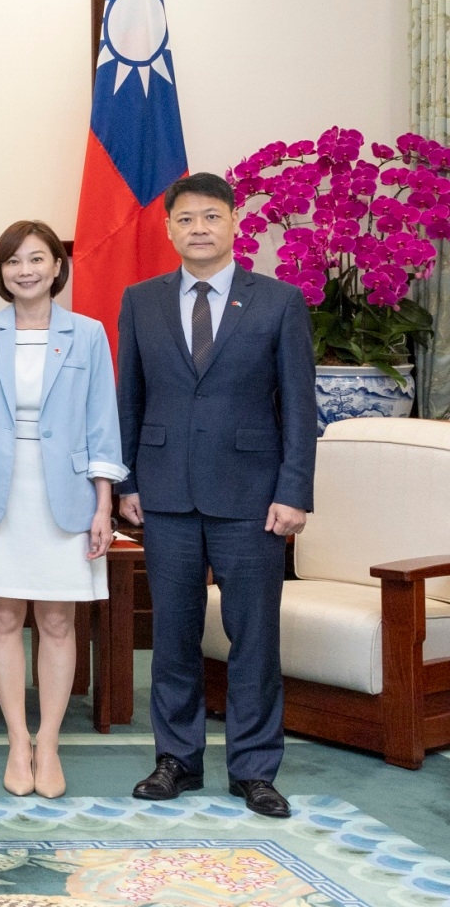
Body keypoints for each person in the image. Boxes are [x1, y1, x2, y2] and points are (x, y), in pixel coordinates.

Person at [117, 171, 316, 820]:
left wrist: (294, 491)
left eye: (211, 216)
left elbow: (298, 404)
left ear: (235, 222)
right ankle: (176, 758)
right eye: (186, 219)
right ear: (168, 227)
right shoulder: (140, 299)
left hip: (253, 496)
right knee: (171, 631)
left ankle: (255, 767)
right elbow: (131, 399)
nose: (198, 228)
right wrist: (127, 481)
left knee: (252, 635)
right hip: (166, 491)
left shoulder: (277, 302)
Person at [0, 222, 126, 799]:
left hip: (66, 493)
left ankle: (49, 742)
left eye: (36, 259)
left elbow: (103, 424)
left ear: (56, 267)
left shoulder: (88, 333)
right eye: (12, 262)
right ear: (0, 272)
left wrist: (105, 506)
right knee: (2, 618)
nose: (24, 270)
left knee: (57, 620)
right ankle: (16, 740)